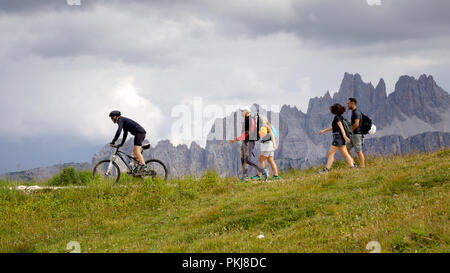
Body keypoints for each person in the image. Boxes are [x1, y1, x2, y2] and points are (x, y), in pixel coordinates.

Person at [231, 106, 268, 181]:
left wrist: (236, 139)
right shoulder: (246, 120)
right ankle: (245, 176)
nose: (241, 113)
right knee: (243, 159)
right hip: (245, 141)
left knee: (247, 159)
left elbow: (248, 132)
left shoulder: (250, 120)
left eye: (243, 111)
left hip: (249, 141)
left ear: (247, 112)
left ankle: (263, 170)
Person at [317, 103, 355, 174]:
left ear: (335, 110)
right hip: (340, 137)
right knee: (345, 154)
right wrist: (324, 131)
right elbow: (335, 128)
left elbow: (341, 127)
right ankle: (352, 166)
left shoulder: (337, 118)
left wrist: (344, 136)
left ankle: (326, 170)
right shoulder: (340, 117)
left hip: (338, 138)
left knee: (331, 153)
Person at [252, 115, 281, 181]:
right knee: (270, 160)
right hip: (269, 145)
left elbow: (272, 135)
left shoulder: (266, 126)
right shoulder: (267, 125)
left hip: (267, 145)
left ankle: (260, 175)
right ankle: (276, 175)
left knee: (261, 159)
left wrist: (274, 144)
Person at [346, 98, 365, 168]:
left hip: (357, 134)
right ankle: (353, 165)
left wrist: (350, 130)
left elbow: (357, 124)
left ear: (352, 103)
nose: (347, 105)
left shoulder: (356, 112)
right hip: (353, 135)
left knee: (358, 151)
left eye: (348, 103)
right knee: (346, 149)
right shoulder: (354, 112)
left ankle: (362, 167)